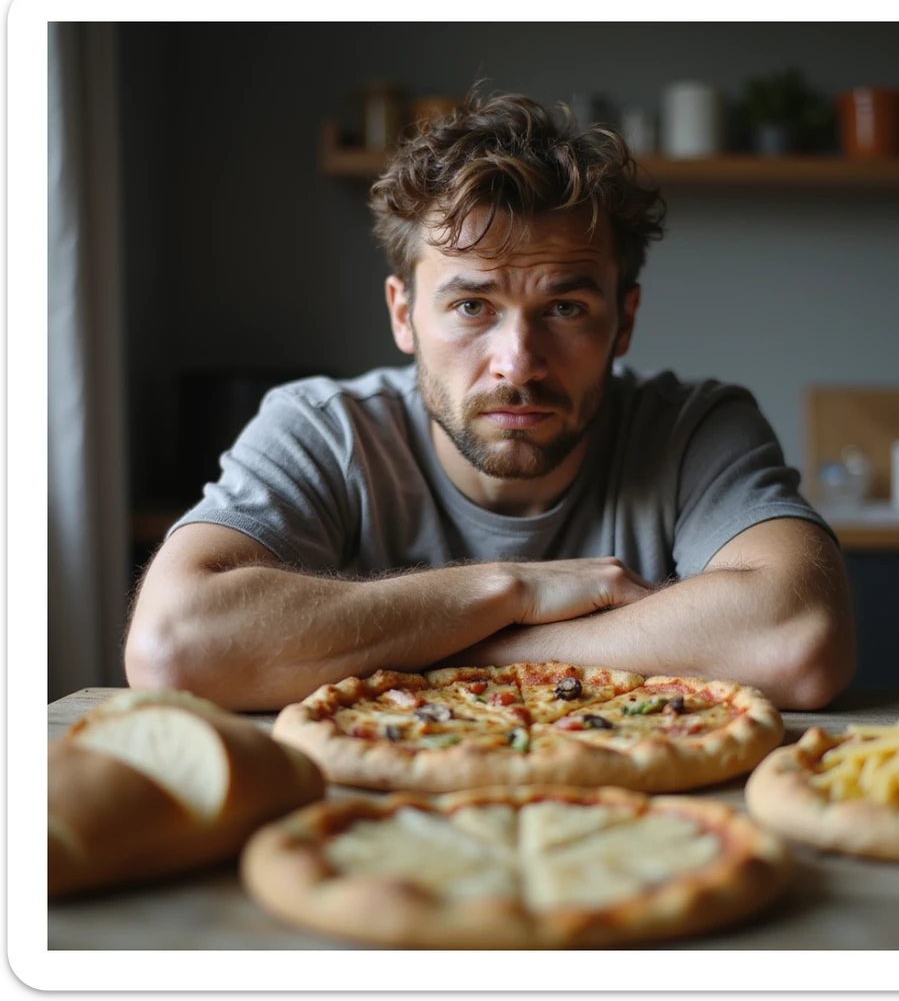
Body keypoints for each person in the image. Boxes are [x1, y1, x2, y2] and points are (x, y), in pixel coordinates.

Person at [124, 89, 856, 713]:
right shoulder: (322, 429)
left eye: (565, 309)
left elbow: (799, 639)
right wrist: (511, 588)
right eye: (472, 307)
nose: (519, 363)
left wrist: (468, 648)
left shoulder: (696, 429)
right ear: (404, 315)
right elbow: (174, 645)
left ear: (624, 320)